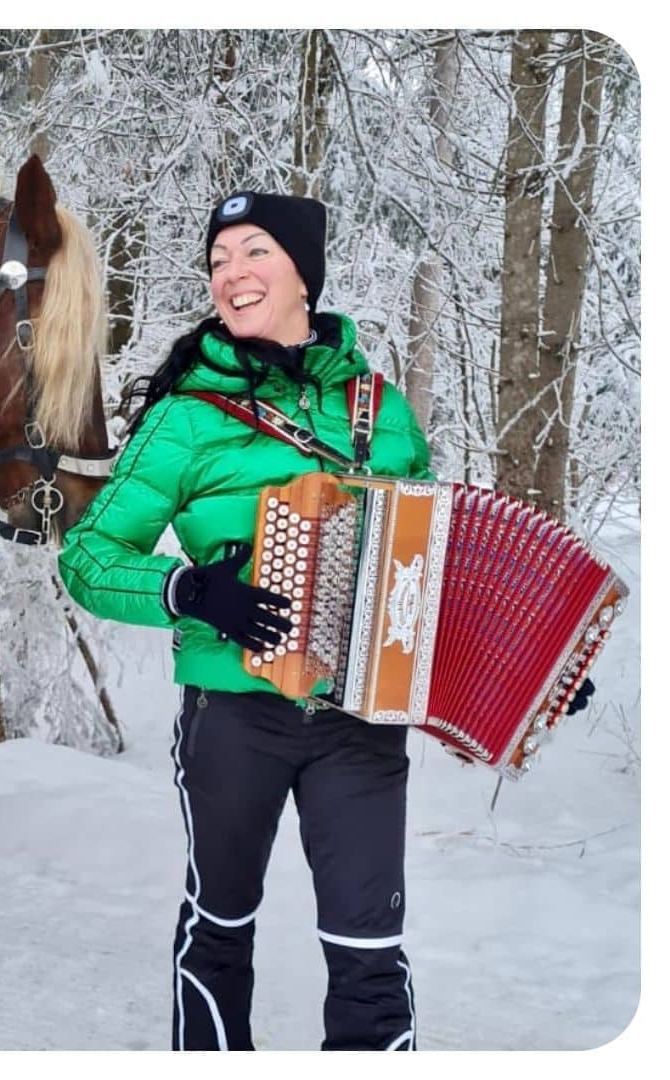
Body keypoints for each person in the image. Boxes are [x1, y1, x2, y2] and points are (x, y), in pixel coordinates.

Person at [57, 190, 585, 1052]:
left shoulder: (380, 413)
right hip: (233, 718)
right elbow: (86, 558)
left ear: (303, 271)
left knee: (369, 949)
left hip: (359, 725)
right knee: (221, 928)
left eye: (254, 251)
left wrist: (537, 660)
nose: (231, 274)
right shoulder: (186, 417)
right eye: (218, 260)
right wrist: (188, 592)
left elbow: (435, 562)